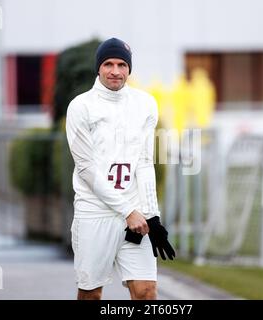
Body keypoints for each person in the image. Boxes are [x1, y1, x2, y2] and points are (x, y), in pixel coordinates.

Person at [65, 38, 175, 300]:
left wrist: (152, 216)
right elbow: (87, 169)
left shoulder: (146, 104)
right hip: (95, 213)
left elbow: (146, 163)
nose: (115, 71)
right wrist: (127, 211)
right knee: (91, 294)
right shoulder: (81, 107)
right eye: (108, 64)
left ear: (129, 68)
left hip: (135, 216)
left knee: (147, 292)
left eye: (122, 64)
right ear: (99, 67)